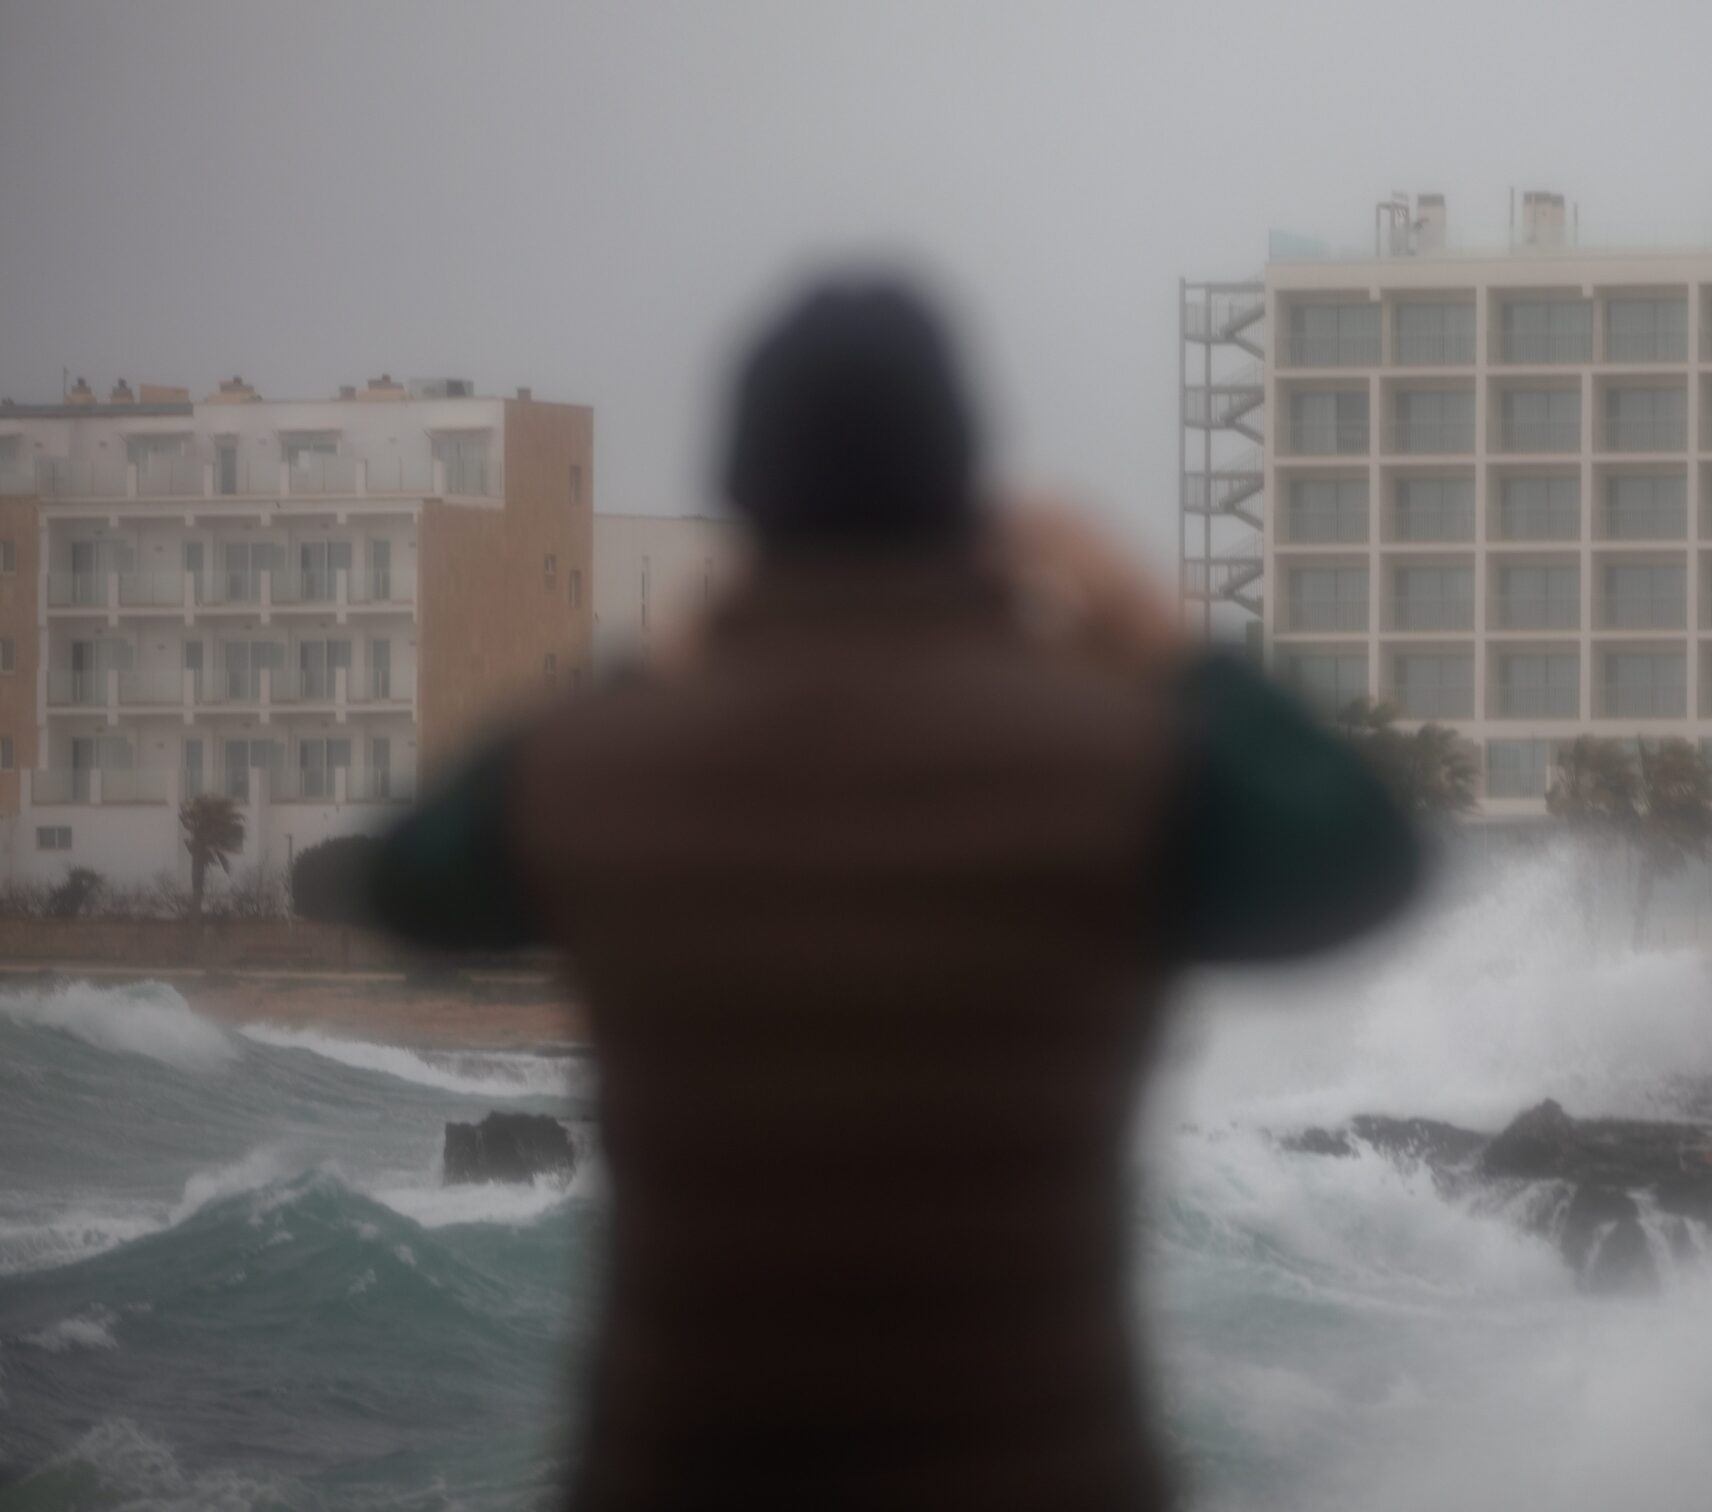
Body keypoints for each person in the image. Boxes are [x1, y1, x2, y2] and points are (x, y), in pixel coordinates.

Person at [366, 280, 1422, 1509]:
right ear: (968, 493)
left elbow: (411, 881)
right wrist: (1151, 630)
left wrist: (653, 666)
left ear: (744, 494)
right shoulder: (1111, 765)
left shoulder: (606, 769)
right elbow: (1364, 852)